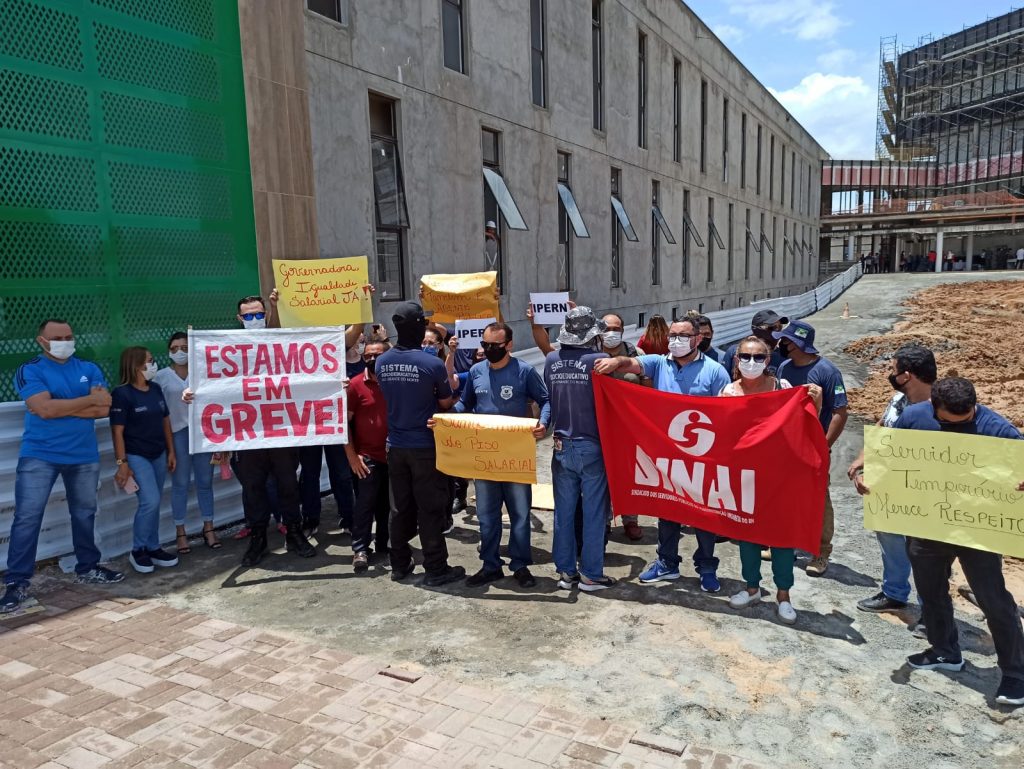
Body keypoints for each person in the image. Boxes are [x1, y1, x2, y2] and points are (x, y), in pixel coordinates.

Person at [885, 377, 1024, 707]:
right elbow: (891, 457)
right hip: (927, 523)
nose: (957, 426)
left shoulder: (999, 430)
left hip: (977, 530)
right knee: (931, 592)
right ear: (933, 408)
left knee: (994, 599)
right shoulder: (914, 417)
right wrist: (868, 474)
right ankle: (944, 651)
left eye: (966, 419)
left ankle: (1016, 672)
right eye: (948, 422)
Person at [595, 316, 731, 592]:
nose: (675, 341)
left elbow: (728, 414)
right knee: (667, 511)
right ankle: (667, 563)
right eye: (672, 335)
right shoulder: (659, 363)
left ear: (698, 339)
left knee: (704, 515)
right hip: (666, 455)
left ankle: (706, 567)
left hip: (702, 456)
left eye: (682, 336)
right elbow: (632, 363)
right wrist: (617, 362)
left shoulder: (716, 372)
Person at [2, 320, 124, 613]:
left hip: (83, 455)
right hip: (39, 455)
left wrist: (60, 406)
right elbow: (43, 410)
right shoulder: (30, 369)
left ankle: (88, 566)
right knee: (28, 518)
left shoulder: (88, 369)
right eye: (57, 338)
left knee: (84, 513)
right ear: (41, 341)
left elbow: (103, 408)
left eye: (69, 336)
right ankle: (17, 582)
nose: (64, 342)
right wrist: (84, 403)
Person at [186, 293, 316, 566]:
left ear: (266, 315)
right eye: (248, 316)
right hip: (247, 435)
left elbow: (307, 373)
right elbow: (208, 383)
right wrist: (191, 391)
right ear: (239, 318)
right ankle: (258, 538)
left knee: (288, 485)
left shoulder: (282, 344)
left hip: (281, 431)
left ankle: (294, 533)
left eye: (259, 314)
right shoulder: (225, 349)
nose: (254, 319)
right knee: (253, 489)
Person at [721, 336, 822, 624]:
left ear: (768, 361)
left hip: (780, 475)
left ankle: (784, 595)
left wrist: (817, 400)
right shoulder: (727, 392)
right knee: (747, 535)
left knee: (781, 537)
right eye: (745, 356)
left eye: (758, 357)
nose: (751, 363)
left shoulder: (784, 389)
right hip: (744, 475)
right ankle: (752, 588)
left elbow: (806, 425)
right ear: (736, 359)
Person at [452, 323, 549, 588]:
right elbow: (465, 403)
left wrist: (543, 423)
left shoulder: (524, 371)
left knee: (519, 513)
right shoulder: (476, 372)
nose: (488, 350)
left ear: (509, 345)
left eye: (494, 345)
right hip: (485, 456)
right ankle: (490, 565)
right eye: (484, 345)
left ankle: (519, 565)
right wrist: (446, 419)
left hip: (516, 455)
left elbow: (545, 399)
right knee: (486, 514)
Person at [375, 301, 464, 586]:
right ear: (417, 327)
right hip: (425, 446)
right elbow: (445, 402)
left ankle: (399, 565)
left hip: (395, 446)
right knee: (430, 508)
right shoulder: (432, 363)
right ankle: (436, 569)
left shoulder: (382, 361)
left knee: (399, 508)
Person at [848, 345, 935, 627]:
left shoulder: (943, 406)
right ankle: (894, 593)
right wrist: (862, 463)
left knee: (927, 551)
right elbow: (882, 430)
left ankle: (932, 612)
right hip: (890, 490)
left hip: (926, 493)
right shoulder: (898, 399)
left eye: (893, 370)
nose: (890, 374)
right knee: (890, 540)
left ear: (906, 375)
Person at [544, 307, 615, 591]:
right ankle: (591, 573)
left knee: (563, 512)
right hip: (592, 445)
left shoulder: (551, 360)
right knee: (594, 512)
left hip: (561, 444)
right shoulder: (600, 360)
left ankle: (565, 571)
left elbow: (550, 396)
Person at [774, 320, 848, 576]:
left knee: (818, 498)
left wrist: (823, 445)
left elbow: (840, 412)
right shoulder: (784, 367)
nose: (780, 344)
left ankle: (821, 551)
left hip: (813, 446)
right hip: (787, 446)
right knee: (786, 495)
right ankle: (785, 542)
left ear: (797, 343)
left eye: (785, 340)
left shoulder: (827, 371)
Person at [110, 347, 179, 574]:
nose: (153, 365)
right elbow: (117, 431)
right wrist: (122, 464)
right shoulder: (122, 393)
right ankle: (138, 549)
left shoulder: (156, 389)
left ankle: (153, 546)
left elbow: (165, 421)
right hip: (136, 455)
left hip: (159, 453)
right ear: (136, 365)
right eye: (150, 361)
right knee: (149, 501)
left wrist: (171, 451)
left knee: (156, 501)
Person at [154, 332, 221, 554]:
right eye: (174, 348)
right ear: (168, 351)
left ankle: (209, 528)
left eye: (184, 347)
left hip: (203, 432)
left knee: (205, 481)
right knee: (180, 484)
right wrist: (167, 445)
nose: (179, 352)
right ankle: (180, 532)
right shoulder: (161, 377)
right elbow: (159, 412)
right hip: (177, 434)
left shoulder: (203, 372)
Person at [345, 340, 392, 573]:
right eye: (368, 356)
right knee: (365, 505)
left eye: (378, 355)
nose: (373, 360)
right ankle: (360, 549)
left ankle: (386, 544)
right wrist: (352, 457)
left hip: (394, 455)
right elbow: (343, 425)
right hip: (366, 458)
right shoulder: (354, 385)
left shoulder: (396, 382)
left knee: (390, 505)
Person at [721, 309, 788, 380]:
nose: (777, 331)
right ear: (756, 329)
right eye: (772, 327)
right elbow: (723, 380)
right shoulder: (734, 351)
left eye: (779, 327)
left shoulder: (782, 356)